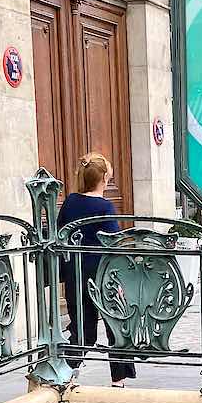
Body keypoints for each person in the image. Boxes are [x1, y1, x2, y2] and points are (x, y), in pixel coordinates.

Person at [59, 153, 136, 387]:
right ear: (104, 178)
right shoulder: (105, 206)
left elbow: (61, 235)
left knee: (82, 331)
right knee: (117, 327)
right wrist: (121, 281)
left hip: (76, 276)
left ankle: (65, 376)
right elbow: (113, 244)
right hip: (103, 278)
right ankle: (118, 381)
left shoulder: (70, 201)